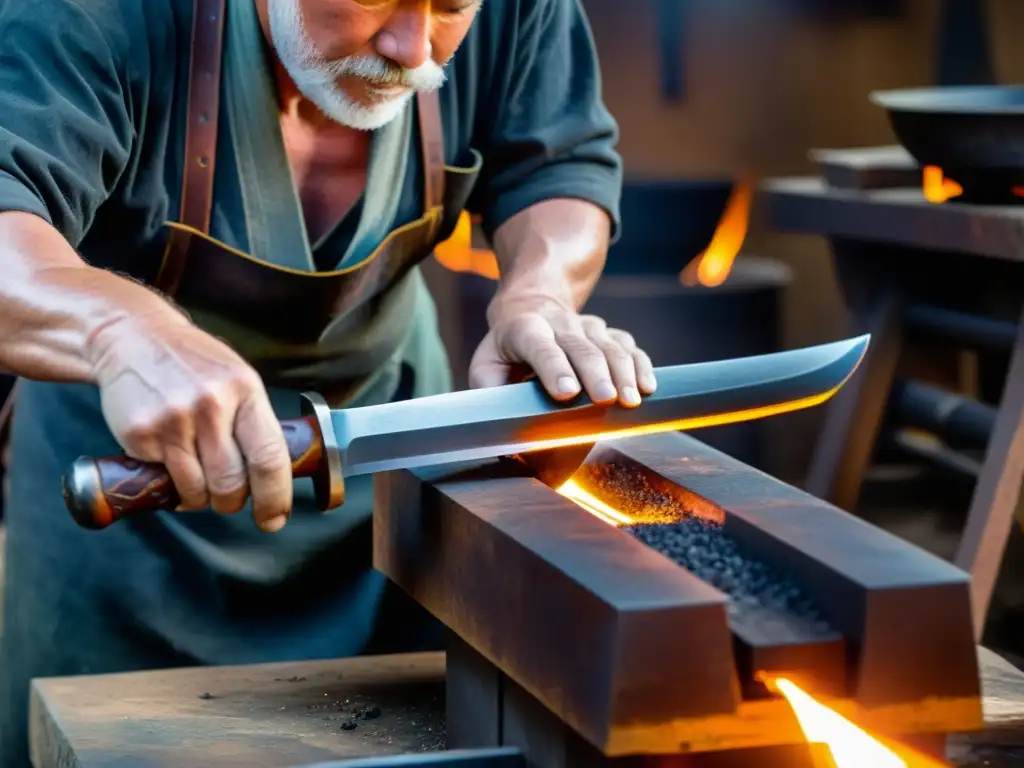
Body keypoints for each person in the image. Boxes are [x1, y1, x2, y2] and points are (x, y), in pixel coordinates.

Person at [0, 0, 656, 763]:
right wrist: (119, 333)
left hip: (386, 484)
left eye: (451, 8)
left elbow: (558, 163)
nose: (412, 50)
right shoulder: (96, 14)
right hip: (132, 502)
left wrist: (538, 292)